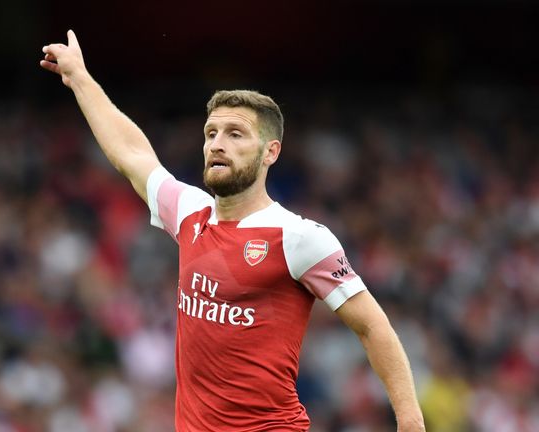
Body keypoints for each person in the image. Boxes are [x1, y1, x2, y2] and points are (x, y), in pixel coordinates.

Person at [40, 30, 426, 432]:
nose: (217, 144)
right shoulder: (190, 213)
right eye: (211, 133)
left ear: (270, 153)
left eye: (235, 134)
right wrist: (79, 77)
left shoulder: (298, 237)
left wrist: (410, 420)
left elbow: (372, 325)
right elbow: (132, 153)